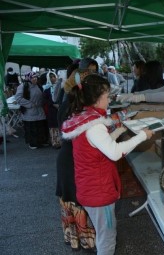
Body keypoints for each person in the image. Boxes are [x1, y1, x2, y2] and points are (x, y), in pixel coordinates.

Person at [61, 73, 153, 255]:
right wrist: (143, 136)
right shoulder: (94, 126)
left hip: (89, 187)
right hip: (98, 194)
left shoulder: (85, 118)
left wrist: (119, 131)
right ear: (96, 99)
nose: (109, 100)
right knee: (107, 239)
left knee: (103, 234)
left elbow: (98, 146)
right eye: (107, 96)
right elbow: (114, 152)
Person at [56, 58, 98, 252]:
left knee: (70, 198)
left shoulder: (68, 102)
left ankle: (75, 240)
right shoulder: (78, 107)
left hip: (66, 158)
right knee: (77, 198)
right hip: (73, 160)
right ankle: (86, 240)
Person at [15, 71, 49, 149]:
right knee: (32, 128)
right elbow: (18, 98)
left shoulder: (38, 85)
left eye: (36, 77)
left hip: (39, 110)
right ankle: (33, 143)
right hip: (29, 111)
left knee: (40, 126)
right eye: (33, 77)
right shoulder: (23, 86)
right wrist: (30, 104)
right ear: (28, 78)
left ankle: (41, 141)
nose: (35, 79)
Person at [43, 71, 61, 149]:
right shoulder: (46, 89)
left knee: (60, 124)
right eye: (51, 77)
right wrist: (53, 104)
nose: (53, 78)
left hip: (60, 108)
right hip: (51, 110)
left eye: (54, 76)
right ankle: (55, 142)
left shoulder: (60, 86)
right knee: (53, 126)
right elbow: (45, 100)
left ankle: (61, 142)